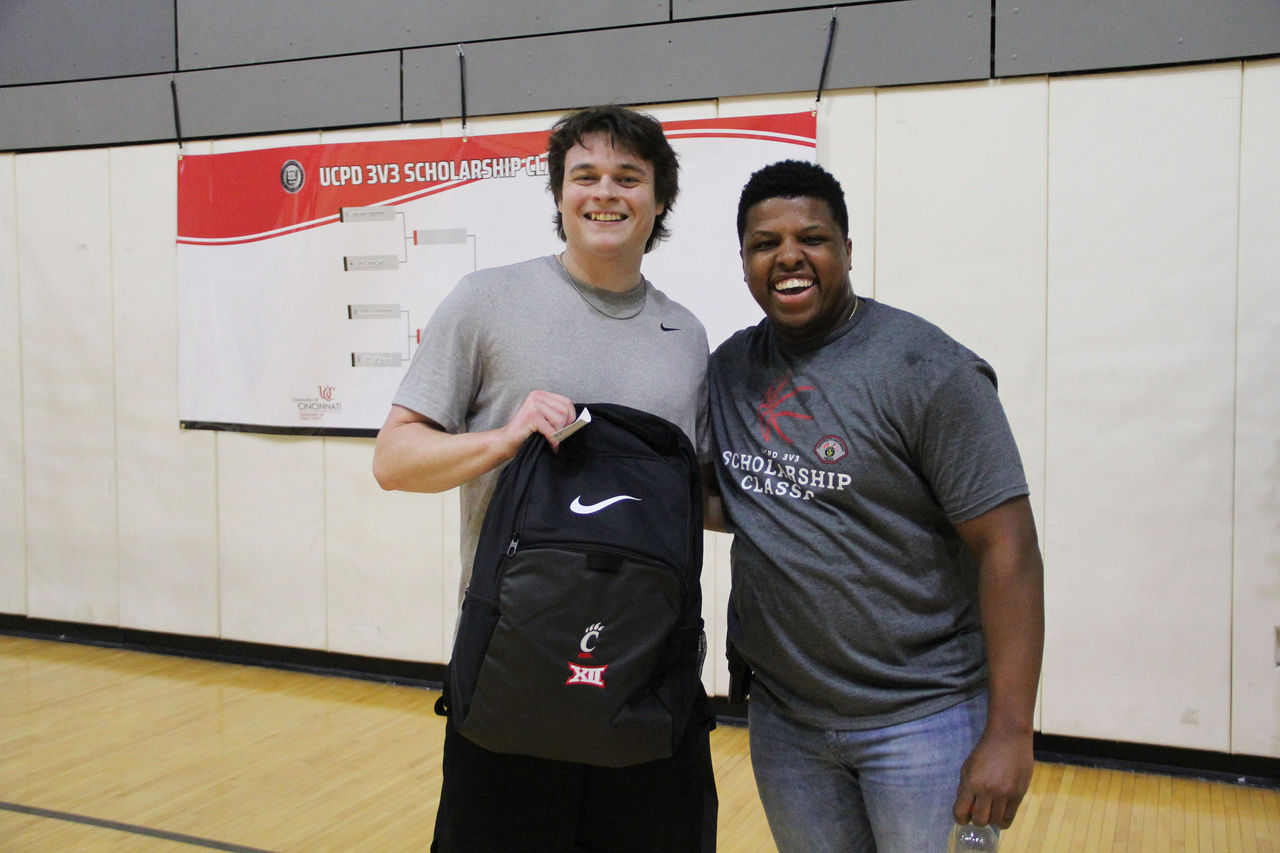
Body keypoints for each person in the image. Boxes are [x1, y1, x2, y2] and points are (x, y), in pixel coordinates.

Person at [373, 105, 717, 852]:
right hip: (512, 674)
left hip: (645, 673)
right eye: (584, 175)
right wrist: (505, 438)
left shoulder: (687, 336)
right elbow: (394, 459)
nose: (605, 193)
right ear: (559, 195)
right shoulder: (487, 301)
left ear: (659, 201)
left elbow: (693, 498)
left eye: (629, 177)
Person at [704, 160, 1044, 853]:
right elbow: (737, 497)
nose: (789, 255)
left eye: (813, 238)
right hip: (787, 720)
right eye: (765, 242)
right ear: (743, 261)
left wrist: (1010, 730)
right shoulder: (730, 369)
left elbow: (1009, 549)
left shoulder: (929, 370)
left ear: (847, 251)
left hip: (924, 721)